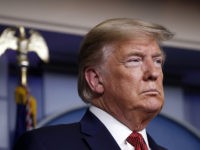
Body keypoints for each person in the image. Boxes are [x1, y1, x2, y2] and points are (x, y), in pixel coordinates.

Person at [14, 18, 173, 150]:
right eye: (135, 60)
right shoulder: (47, 145)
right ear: (95, 79)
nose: (154, 73)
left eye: (157, 61)